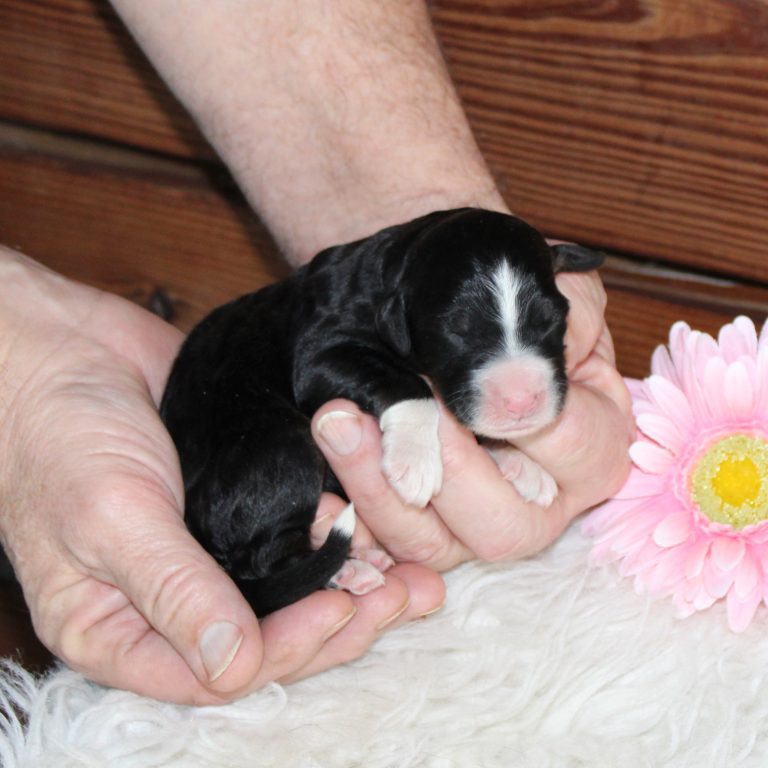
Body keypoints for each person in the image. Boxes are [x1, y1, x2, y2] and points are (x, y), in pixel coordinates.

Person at [0, 0, 634, 705]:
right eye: (468, 331)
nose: (524, 387)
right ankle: (282, 559)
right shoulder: (347, 321)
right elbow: (333, 369)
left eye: (543, 327)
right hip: (238, 440)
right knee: (282, 465)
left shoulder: (388, 288)